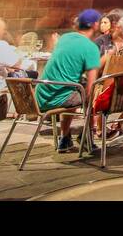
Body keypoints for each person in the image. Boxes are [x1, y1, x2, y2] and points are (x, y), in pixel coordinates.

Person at [36, 9, 103, 153]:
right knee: (92, 98)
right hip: (59, 98)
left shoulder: (65, 38)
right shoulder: (91, 48)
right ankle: (87, 137)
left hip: (41, 95)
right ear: (96, 25)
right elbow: (92, 86)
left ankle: (64, 138)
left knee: (74, 92)